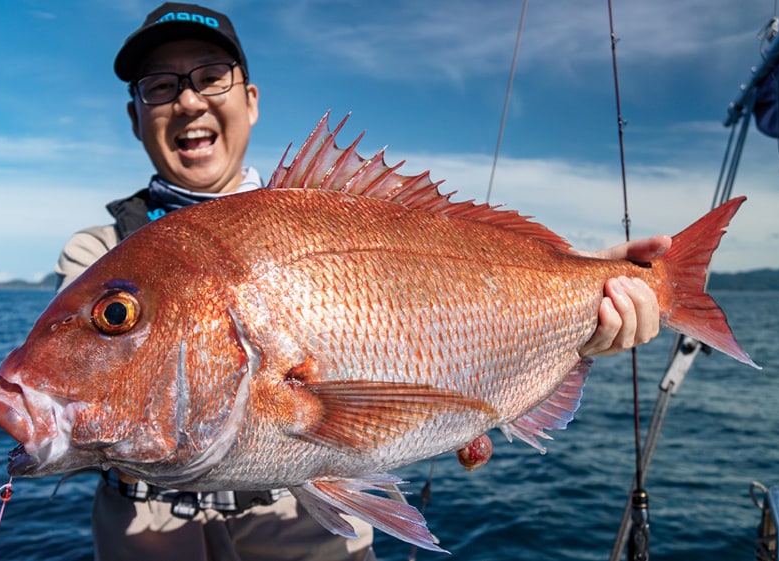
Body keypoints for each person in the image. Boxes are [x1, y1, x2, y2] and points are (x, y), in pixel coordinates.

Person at [53, 3, 670, 560]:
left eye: (211, 77)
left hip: (314, 534)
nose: (189, 101)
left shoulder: (323, 207)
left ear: (251, 100)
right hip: (145, 531)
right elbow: (77, 395)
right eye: (160, 86)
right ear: (135, 116)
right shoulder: (98, 255)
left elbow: (459, 310)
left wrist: (585, 289)